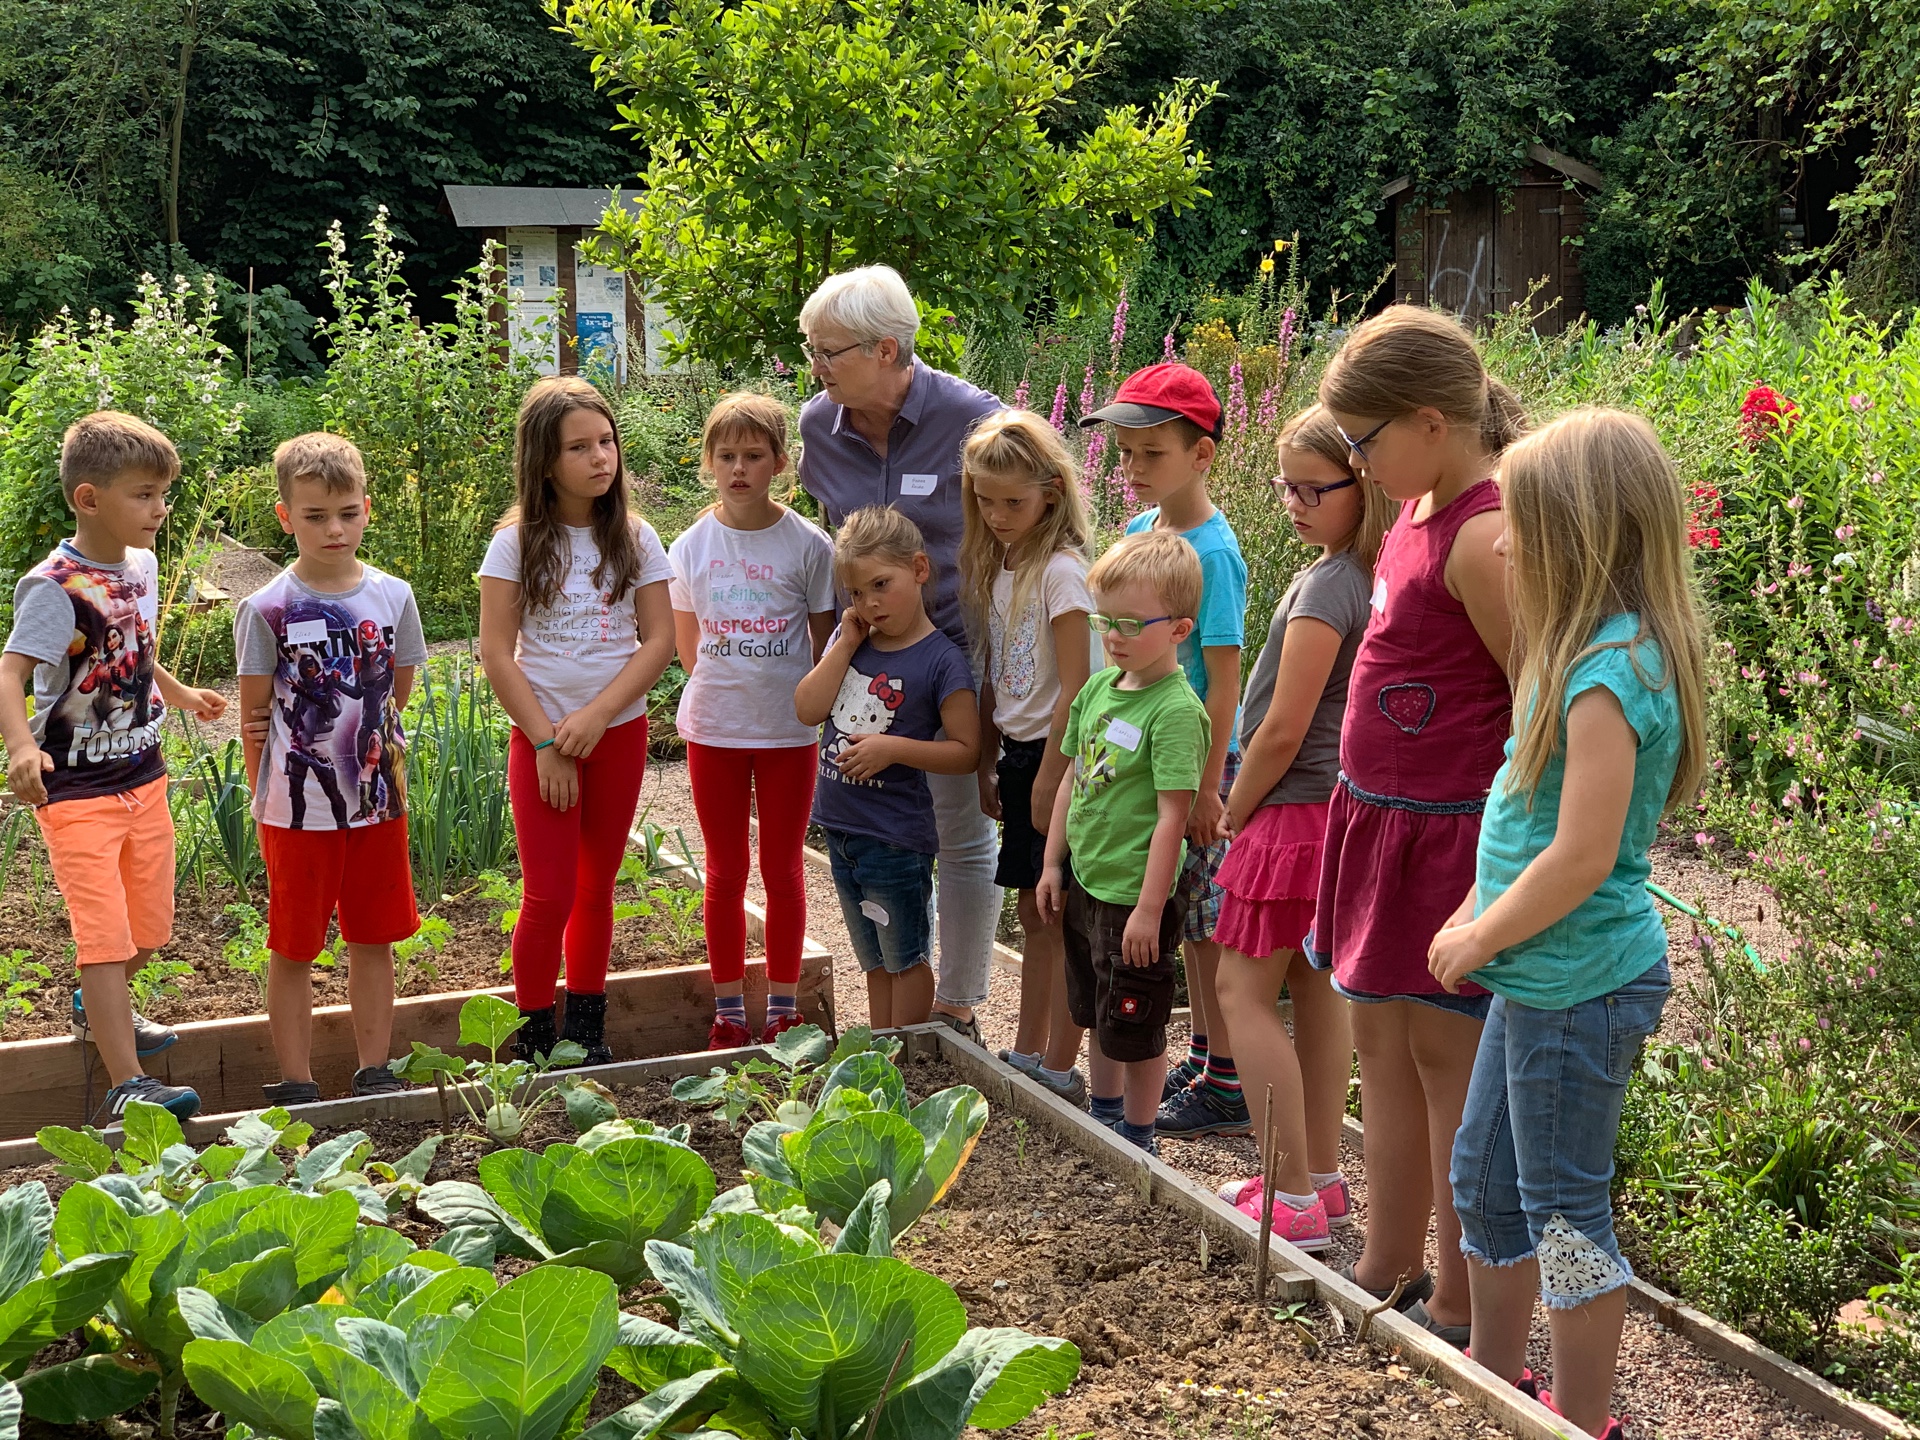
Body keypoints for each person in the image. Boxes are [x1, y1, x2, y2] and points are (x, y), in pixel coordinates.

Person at [1432, 409, 1705, 1440]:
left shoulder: (1610, 674)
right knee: (1486, 1187)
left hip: (1581, 984)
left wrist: (1483, 935)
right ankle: (1498, 1388)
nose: (1502, 543)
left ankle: (1582, 1424)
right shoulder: (1569, 651)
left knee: (1565, 1218)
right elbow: (1521, 814)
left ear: (1582, 536)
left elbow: (1583, 854)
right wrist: (1477, 906)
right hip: (1538, 973)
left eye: (1523, 523)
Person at [1310, 305, 1524, 1347]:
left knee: (1447, 1067)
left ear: (1432, 423)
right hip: (1377, 822)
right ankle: (1385, 1268)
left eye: (1366, 441)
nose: (1358, 462)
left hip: (1448, 838)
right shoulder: (1415, 505)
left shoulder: (1487, 534)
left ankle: (1459, 1302)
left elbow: (1540, 702)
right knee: (1381, 1051)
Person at [796, 265, 1003, 1042]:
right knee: (881, 826)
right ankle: (898, 987)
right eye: (812, 349)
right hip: (870, 662)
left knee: (961, 830)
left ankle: (956, 1005)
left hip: (958, 651)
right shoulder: (819, 428)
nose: (816, 366)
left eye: (829, 351)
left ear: (886, 349)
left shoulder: (974, 420)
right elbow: (835, 538)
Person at [0, 411, 226, 1120]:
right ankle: (128, 1082)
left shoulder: (141, 566)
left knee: (149, 930)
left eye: (164, 494)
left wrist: (180, 696)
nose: (161, 509)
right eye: (144, 495)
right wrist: (21, 747)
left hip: (142, 776)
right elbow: (10, 673)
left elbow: (136, 651)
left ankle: (94, 1004)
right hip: (75, 790)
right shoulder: (55, 587)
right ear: (89, 498)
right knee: (103, 938)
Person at [1210, 406, 1392, 1245]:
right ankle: (1320, 1177)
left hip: (1288, 813)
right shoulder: (1367, 574)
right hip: (1337, 815)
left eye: (1314, 488)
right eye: (1287, 485)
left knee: (1240, 994)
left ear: (1365, 483)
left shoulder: (1327, 587)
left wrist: (1233, 806)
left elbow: (1283, 727)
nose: (1294, 502)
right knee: (1318, 993)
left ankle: (1287, 1196)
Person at [479, 376, 675, 1065]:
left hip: (616, 736)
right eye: (579, 447)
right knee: (547, 894)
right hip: (543, 744)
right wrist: (546, 740)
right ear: (543, 460)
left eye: (607, 442)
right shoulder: (514, 544)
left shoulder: (638, 538)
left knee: (596, 889)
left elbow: (660, 642)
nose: (600, 457)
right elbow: (496, 653)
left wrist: (597, 716)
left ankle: (587, 1034)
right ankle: (534, 1040)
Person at [1080, 363, 1250, 1140]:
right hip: (1141, 758)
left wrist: (1211, 788)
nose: (1133, 467)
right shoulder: (1142, 533)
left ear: (1201, 455)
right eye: (1126, 454)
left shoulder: (1214, 554)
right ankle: (1206, 1056)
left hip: (1196, 762)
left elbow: (1223, 680)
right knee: (1177, 917)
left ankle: (1226, 1079)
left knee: (1204, 924)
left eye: (1151, 453)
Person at [236, 432, 426, 1103]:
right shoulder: (265, 608)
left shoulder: (394, 596)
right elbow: (254, 716)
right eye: (315, 516)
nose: (334, 529)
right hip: (297, 813)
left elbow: (397, 692)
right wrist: (265, 801)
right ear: (286, 516)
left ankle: (375, 1069)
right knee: (294, 945)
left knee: (374, 938)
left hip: (377, 800)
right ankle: (297, 1080)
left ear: (366, 509)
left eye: (347, 513)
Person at [668, 392, 837, 1048]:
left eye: (754, 455)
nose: (739, 468)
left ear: (780, 464)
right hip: (715, 729)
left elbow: (822, 647)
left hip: (788, 732)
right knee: (724, 870)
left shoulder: (809, 546)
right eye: (727, 455)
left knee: (784, 869)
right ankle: (730, 1012)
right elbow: (689, 650)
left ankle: (785, 1009)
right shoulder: (689, 547)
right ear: (709, 462)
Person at [1037, 530, 1209, 1156]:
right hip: (1087, 879)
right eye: (1104, 619)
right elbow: (1071, 781)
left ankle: (1139, 1139)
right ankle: (1104, 1118)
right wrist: (1053, 864)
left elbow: (1172, 819)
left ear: (1179, 629)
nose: (1112, 635)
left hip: (1136, 894)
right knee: (1095, 1008)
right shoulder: (1097, 691)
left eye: (1130, 624)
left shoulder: (1176, 712)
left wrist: (1148, 909)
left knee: (1138, 1021)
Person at [796, 506, 979, 1028]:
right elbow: (807, 709)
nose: (869, 603)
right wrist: (846, 641)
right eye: (856, 593)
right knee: (873, 961)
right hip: (841, 829)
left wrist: (893, 748)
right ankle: (881, 1052)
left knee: (905, 958)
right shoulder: (853, 644)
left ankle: (910, 1054)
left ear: (919, 569)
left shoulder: (942, 660)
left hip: (894, 837)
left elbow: (967, 750)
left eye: (881, 585)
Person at [958, 409, 1094, 1099]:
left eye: (1013, 502)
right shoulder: (1003, 564)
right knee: (1032, 912)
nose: (997, 515)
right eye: (985, 500)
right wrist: (989, 758)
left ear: (1051, 491)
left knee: (1056, 913)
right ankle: (1028, 1048)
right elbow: (995, 671)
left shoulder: (1062, 573)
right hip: (1015, 753)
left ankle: (1054, 1060)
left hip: (1056, 755)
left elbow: (1078, 686)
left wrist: (1050, 777)